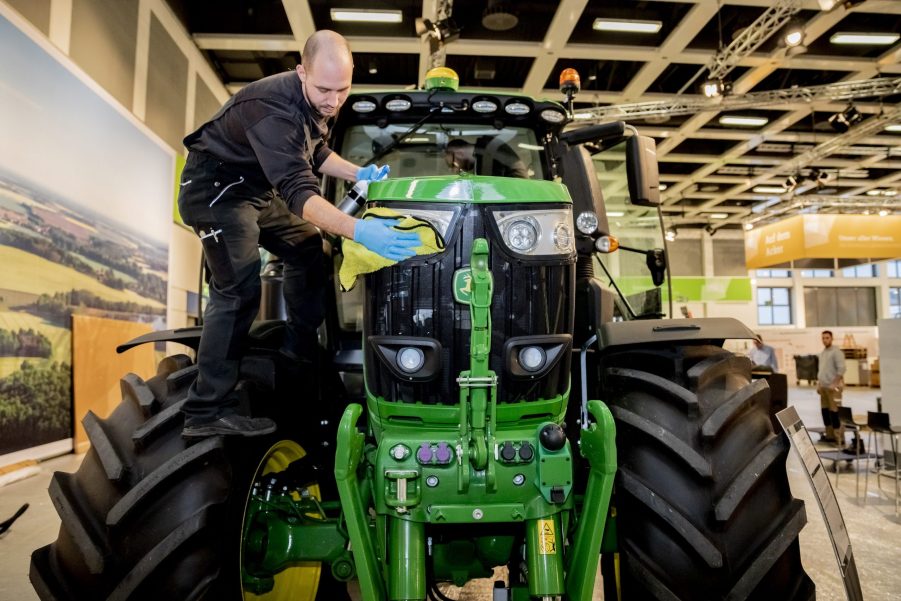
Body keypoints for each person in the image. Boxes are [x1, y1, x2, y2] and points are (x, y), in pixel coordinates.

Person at [177, 30, 420, 439]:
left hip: (255, 190)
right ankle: (205, 410)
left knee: (310, 248)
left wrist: (357, 172)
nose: (333, 100)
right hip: (216, 191)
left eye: (343, 89)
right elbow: (299, 193)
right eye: (325, 89)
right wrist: (359, 230)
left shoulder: (322, 99)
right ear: (300, 72)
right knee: (238, 289)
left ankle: (297, 350)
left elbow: (315, 152)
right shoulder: (272, 108)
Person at [444, 136, 528, 178]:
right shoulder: (482, 152)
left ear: (460, 154)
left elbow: (487, 189)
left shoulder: (488, 150)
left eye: (453, 165)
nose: (455, 170)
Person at [816, 330, 846, 445]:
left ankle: (839, 438)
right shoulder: (823, 353)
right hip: (823, 388)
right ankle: (830, 436)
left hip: (833, 388)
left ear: (832, 338)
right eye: (823, 338)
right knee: (825, 412)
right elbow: (821, 371)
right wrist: (819, 384)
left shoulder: (836, 352)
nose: (825, 340)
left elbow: (841, 369)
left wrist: (835, 383)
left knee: (835, 413)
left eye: (827, 338)